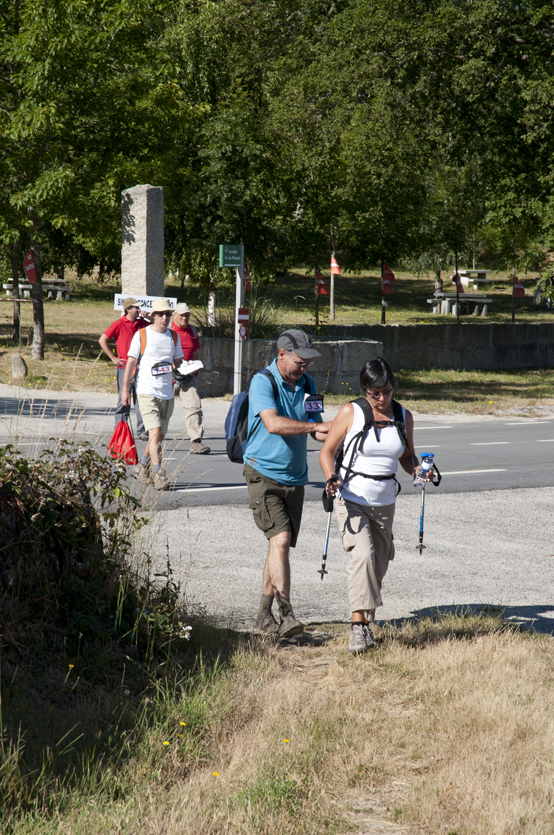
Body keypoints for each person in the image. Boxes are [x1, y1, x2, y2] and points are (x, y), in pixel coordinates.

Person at [319, 357, 430, 654]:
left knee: (379, 565)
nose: (381, 399)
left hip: (385, 501)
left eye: (386, 392)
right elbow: (327, 451)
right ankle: (358, 628)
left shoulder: (403, 416)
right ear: (364, 390)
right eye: (374, 393)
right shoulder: (350, 412)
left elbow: (407, 457)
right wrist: (331, 477)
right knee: (364, 557)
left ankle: (367, 624)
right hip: (351, 497)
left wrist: (419, 470)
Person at [243, 329, 332, 638]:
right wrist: (316, 425)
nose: (305, 365)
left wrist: (338, 429)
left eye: (308, 360)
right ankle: (287, 614)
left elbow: (317, 431)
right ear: (282, 355)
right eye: (299, 360)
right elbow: (273, 422)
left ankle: (263, 616)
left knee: (277, 548)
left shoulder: (307, 384)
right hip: (262, 474)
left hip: (295, 478)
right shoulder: (262, 382)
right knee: (280, 540)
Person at [121, 298, 184, 491]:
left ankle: (142, 465)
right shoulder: (142, 335)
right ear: (154, 315)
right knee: (154, 432)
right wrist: (125, 390)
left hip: (167, 393)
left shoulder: (173, 337)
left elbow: (178, 362)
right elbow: (130, 363)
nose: (165, 318)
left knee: (158, 436)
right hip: (146, 391)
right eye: (161, 314)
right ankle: (159, 473)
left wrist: (176, 365)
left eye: (167, 314)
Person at [98, 297, 149, 440]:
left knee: (141, 400)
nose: (139, 310)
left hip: (140, 368)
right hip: (124, 368)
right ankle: (120, 429)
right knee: (123, 398)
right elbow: (102, 340)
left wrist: (149, 317)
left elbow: (158, 328)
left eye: (139, 308)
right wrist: (113, 358)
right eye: (136, 308)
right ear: (128, 309)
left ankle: (142, 431)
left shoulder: (143, 324)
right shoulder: (119, 323)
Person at [171, 303, 210, 454]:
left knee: (194, 407)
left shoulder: (193, 330)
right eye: (181, 315)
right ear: (174, 315)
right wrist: (173, 367)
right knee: (162, 407)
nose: (184, 317)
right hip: (170, 375)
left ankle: (196, 442)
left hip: (188, 375)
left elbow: (194, 352)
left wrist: (195, 367)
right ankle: (154, 440)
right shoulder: (168, 330)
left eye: (187, 315)